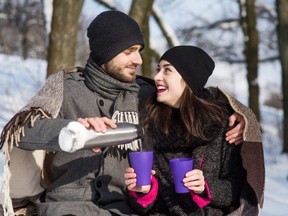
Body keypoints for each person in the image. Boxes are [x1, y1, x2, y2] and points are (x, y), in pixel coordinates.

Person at [0, 11, 245, 216]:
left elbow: (195, 94)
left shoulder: (146, 95)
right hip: (65, 206)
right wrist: (71, 130)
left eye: (139, 50)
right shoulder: (65, 87)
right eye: (129, 51)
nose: (139, 59)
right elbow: (20, 131)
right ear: (107, 51)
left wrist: (240, 115)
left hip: (124, 210)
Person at [124, 46, 265, 215]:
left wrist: (205, 188)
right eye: (158, 70)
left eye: (167, 70)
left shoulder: (223, 124)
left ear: (189, 78)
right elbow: (145, 205)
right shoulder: (149, 121)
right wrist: (143, 192)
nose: (157, 77)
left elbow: (236, 190)